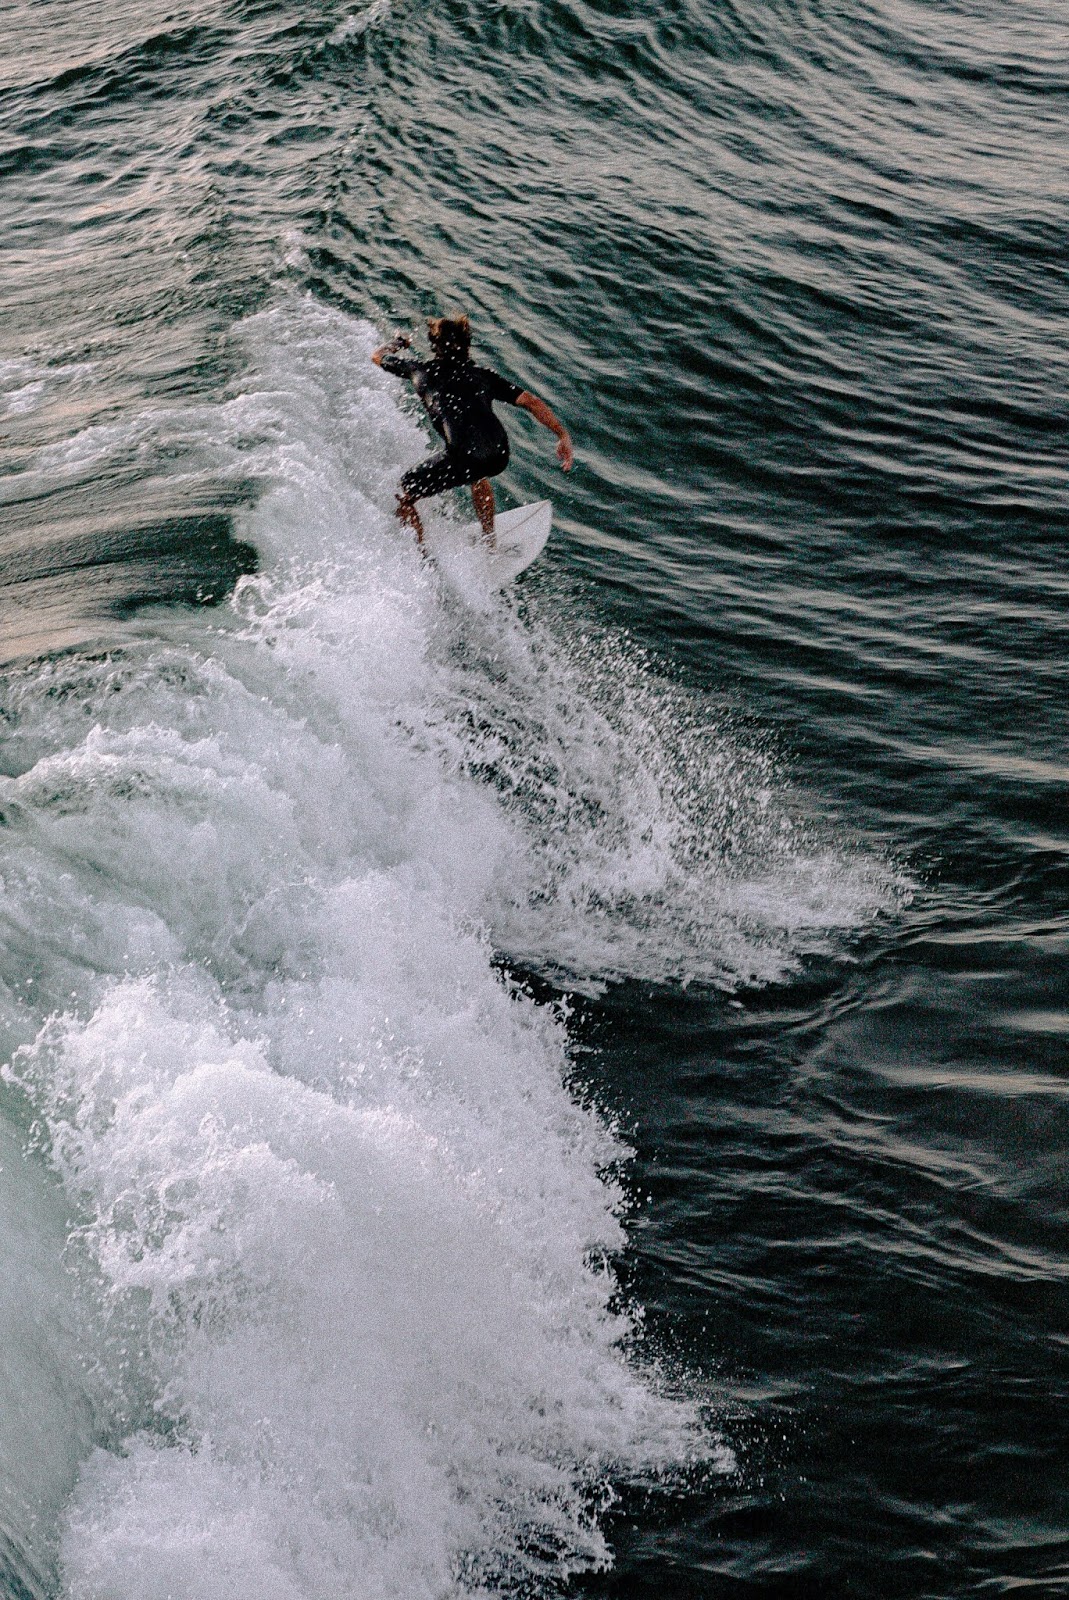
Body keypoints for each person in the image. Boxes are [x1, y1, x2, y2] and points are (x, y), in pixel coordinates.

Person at [372, 315, 574, 547]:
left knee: (403, 494)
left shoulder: (419, 371)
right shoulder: (483, 376)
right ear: (467, 345)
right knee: (478, 474)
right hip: (499, 453)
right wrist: (562, 435)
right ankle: (490, 541)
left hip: (463, 456)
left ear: (434, 345)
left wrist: (398, 343)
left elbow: (377, 356)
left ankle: (422, 560)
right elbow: (532, 401)